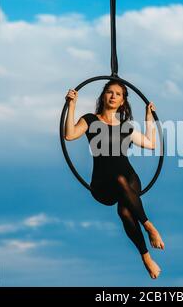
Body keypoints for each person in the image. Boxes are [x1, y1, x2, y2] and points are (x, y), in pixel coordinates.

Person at [64, 80, 164, 279]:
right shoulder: (90, 120)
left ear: (122, 101)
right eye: (109, 92)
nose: (112, 96)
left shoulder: (126, 127)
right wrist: (71, 105)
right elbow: (69, 135)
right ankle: (149, 226)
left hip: (129, 180)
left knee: (125, 211)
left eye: (118, 94)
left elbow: (152, 144)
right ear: (103, 96)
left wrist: (148, 118)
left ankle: (146, 258)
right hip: (102, 186)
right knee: (118, 180)